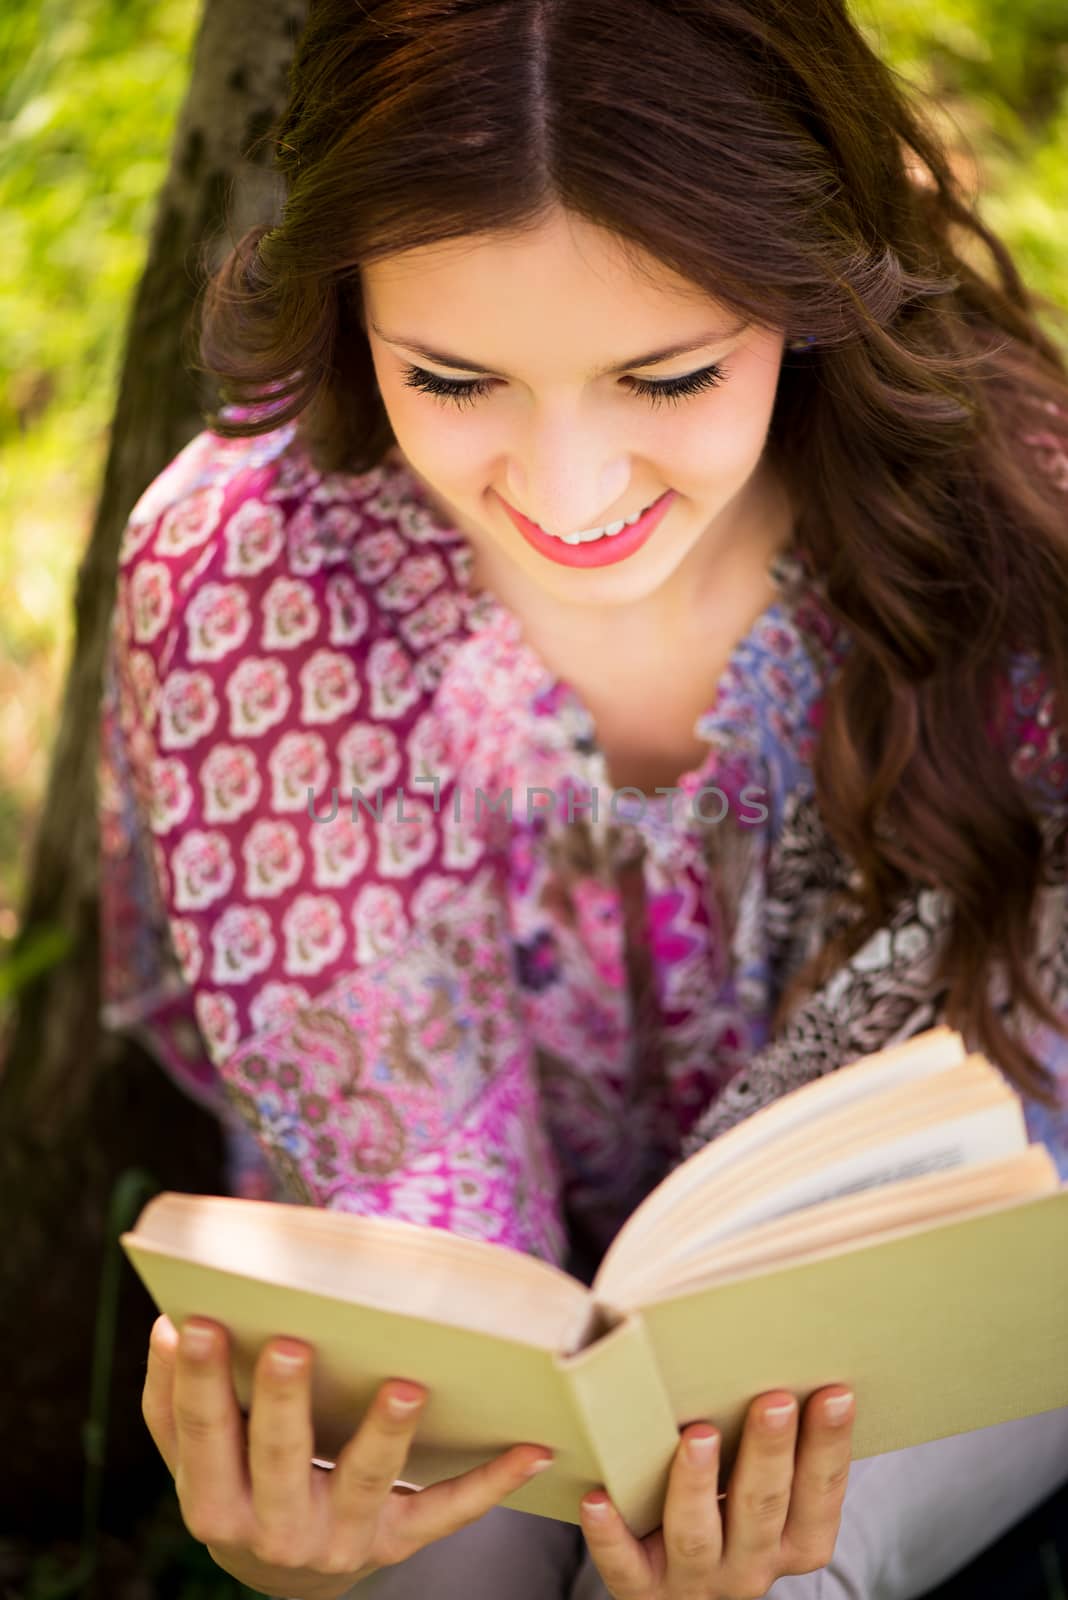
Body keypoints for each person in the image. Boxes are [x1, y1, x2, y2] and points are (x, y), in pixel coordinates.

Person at [97, 0, 1068, 1594]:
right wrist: (314, 1561)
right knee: (423, 1553)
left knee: (787, 1570)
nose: (569, 491)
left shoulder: (1006, 501)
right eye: (457, 378)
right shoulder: (251, 571)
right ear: (348, 309)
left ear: (808, 288)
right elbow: (418, 1209)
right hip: (469, 1261)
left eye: (668, 374)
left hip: (907, 1263)